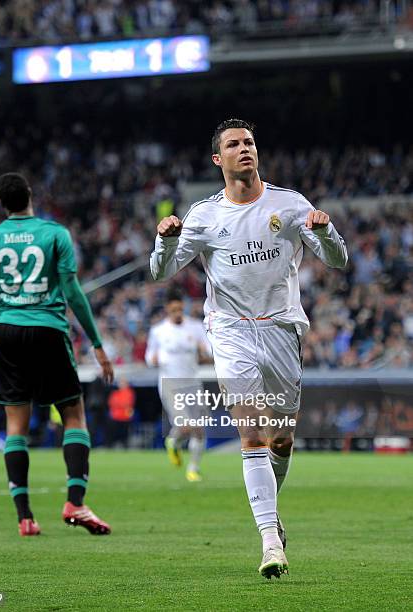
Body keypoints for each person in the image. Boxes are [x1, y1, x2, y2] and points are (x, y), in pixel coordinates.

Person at [150, 119, 348, 578]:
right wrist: (165, 242)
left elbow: (337, 260)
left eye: (250, 142)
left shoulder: (290, 205)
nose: (245, 149)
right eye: (234, 145)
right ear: (218, 159)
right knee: (253, 435)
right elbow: (160, 272)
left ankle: (271, 514)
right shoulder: (203, 216)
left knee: (281, 439)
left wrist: (326, 231)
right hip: (231, 330)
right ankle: (269, 542)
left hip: (281, 329)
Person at [0, 173, 114, 537]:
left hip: (8, 333)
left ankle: (25, 517)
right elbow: (72, 291)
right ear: (30, 196)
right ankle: (75, 501)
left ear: (1, 204)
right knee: (73, 415)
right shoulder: (55, 234)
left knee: (15, 427)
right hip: (49, 330)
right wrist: (98, 345)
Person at [145, 287, 212, 482]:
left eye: (180, 309)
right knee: (187, 425)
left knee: (199, 428)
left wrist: (203, 350)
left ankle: (192, 468)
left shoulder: (195, 327)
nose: (177, 314)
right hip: (170, 384)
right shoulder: (158, 331)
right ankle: (174, 440)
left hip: (192, 382)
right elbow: (149, 356)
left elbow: (208, 349)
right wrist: (154, 359)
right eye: (173, 310)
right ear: (167, 309)